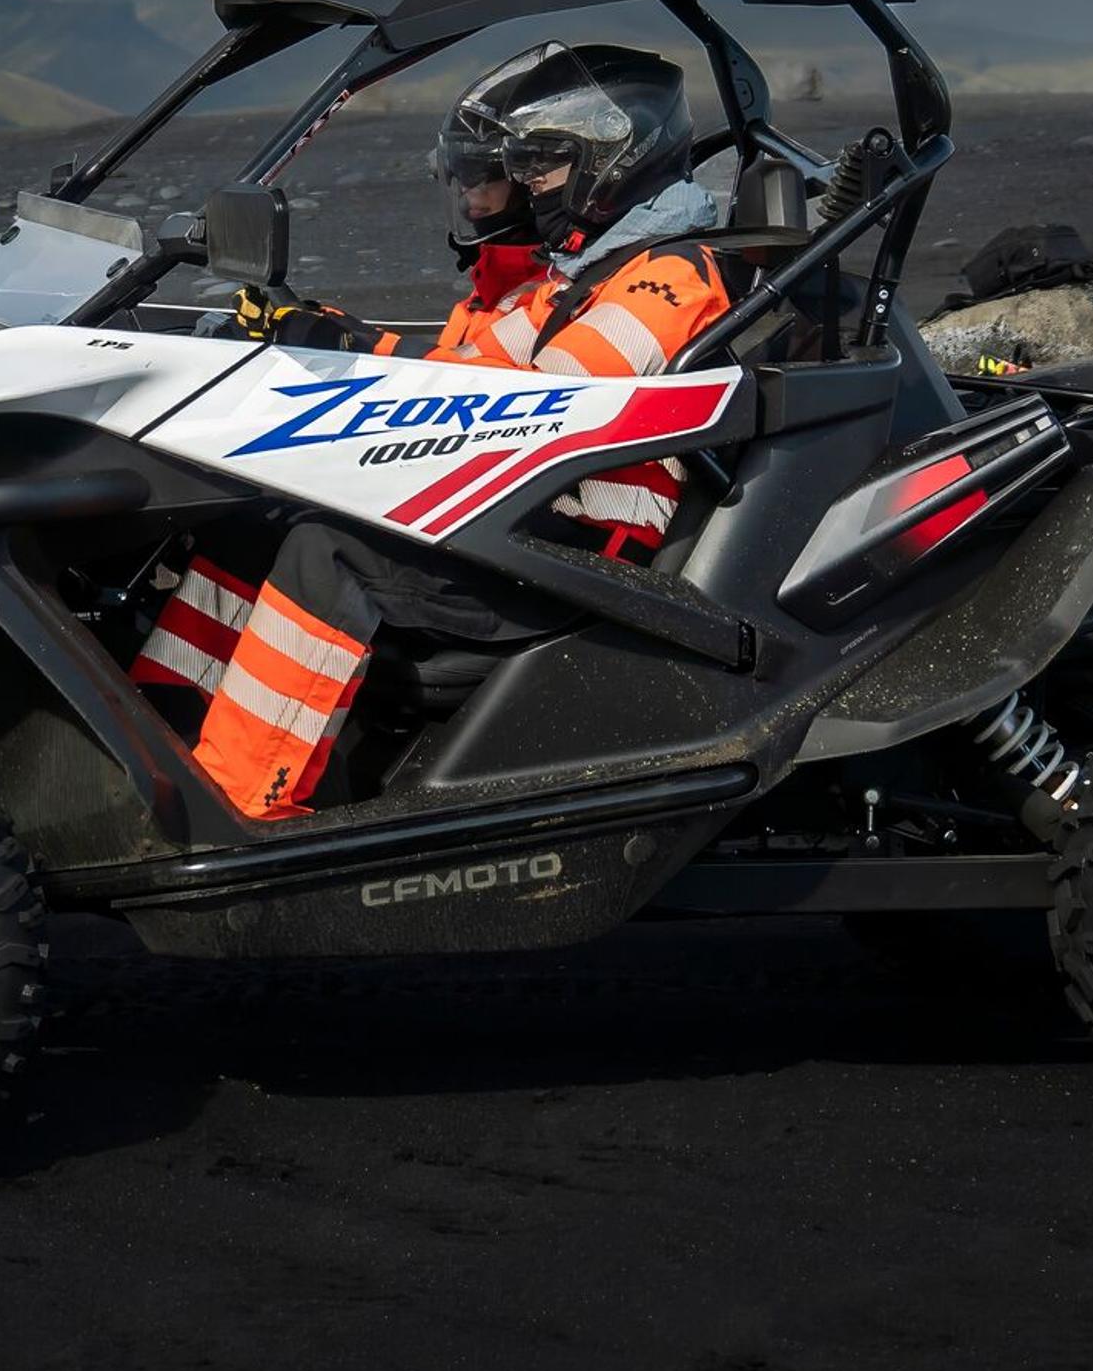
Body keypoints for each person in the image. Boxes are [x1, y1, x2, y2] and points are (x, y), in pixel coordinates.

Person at [133, 43, 743, 820]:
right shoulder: (582, 275)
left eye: (546, 166)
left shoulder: (666, 280)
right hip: (513, 521)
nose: (526, 185)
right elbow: (464, 365)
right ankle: (165, 749)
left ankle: (243, 804)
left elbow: (541, 404)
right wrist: (334, 340)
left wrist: (362, 385)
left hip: (574, 556)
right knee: (256, 527)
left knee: (331, 553)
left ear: (610, 166)